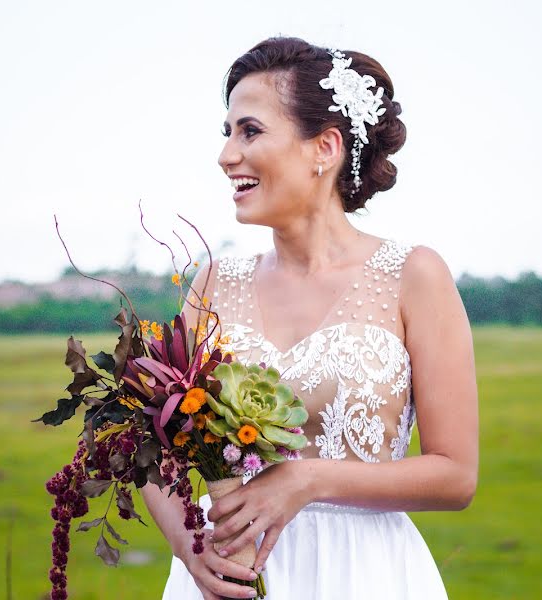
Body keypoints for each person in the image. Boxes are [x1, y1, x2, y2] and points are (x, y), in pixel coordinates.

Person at [142, 36, 479, 599]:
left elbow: (455, 475)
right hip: (231, 574)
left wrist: (306, 479)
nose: (227, 155)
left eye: (250, 131)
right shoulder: (213, 284)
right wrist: (191, 546)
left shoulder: (414, 276)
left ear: (324, 147)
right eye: (227, 133)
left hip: (364, 573)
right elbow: (153, 441)